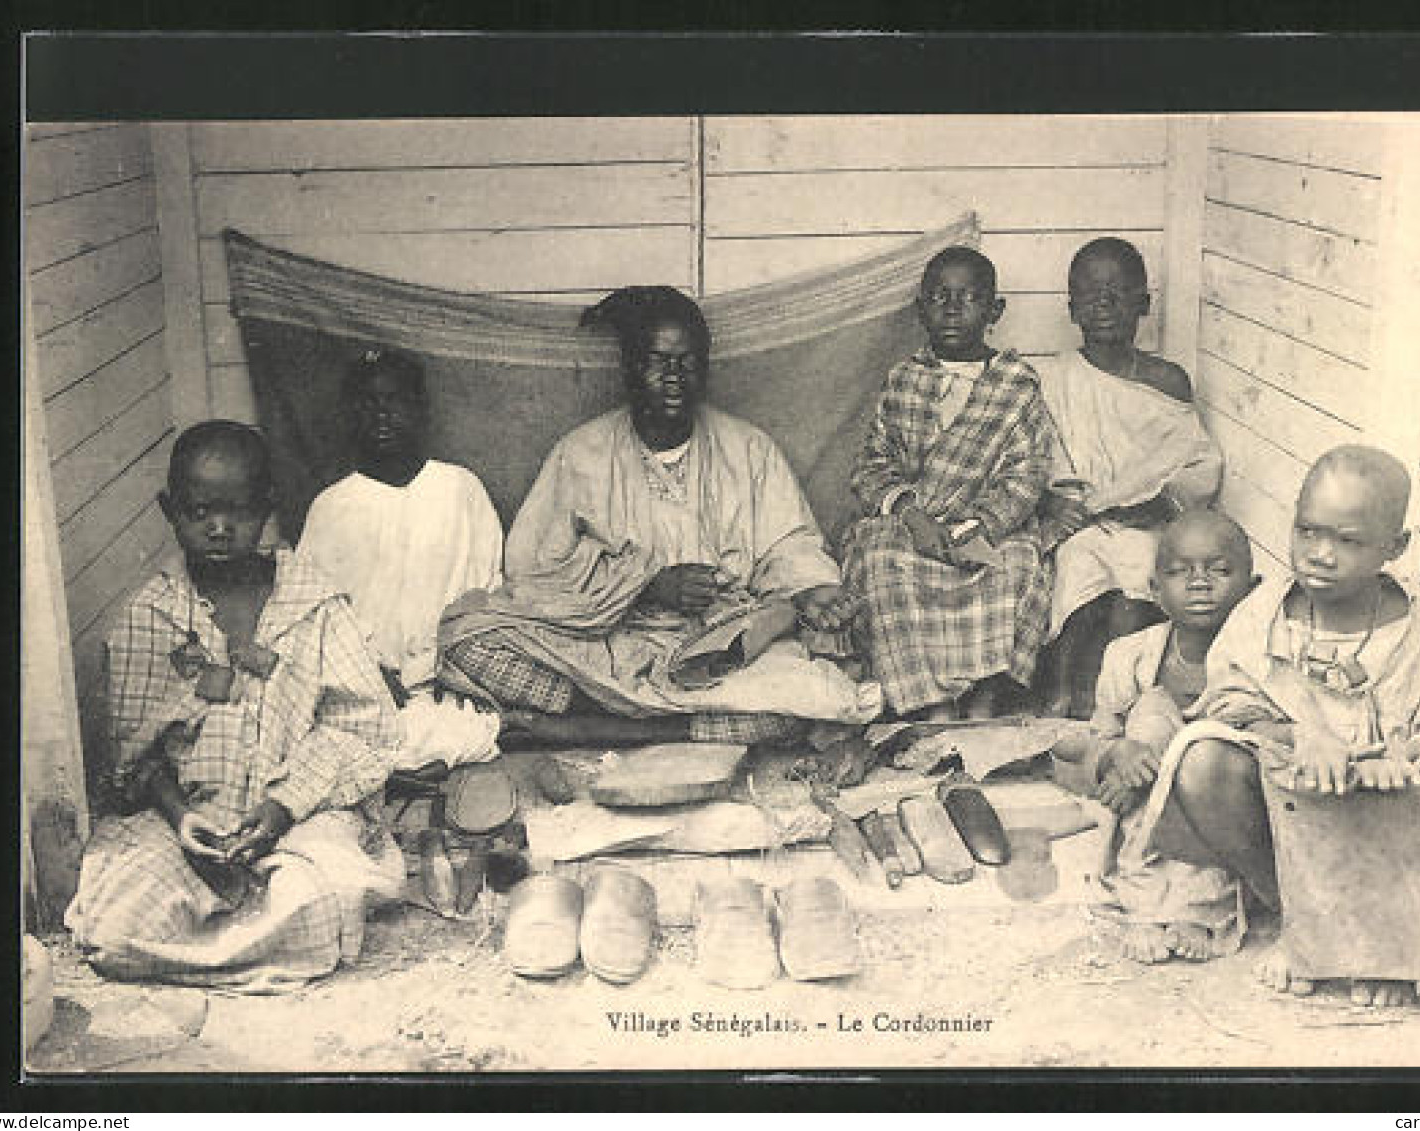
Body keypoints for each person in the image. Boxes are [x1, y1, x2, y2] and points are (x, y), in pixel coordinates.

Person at [1140, 446, 1420, 1007]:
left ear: (1396, 548)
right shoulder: (1263, 612)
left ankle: (1394, 947)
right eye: (1308, 531)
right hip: (1296, 807)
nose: (1320, 555)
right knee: (1200, 754)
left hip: (1396, 812)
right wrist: (1304, 736)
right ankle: (1310, 924)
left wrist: (1398, 755)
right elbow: (1228, 701)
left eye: (1348, 541)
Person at [438, 286, 870, 746]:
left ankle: (605, 728)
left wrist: (810, 591)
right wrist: (644, 585)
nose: (673, 377)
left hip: (718, 645)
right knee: (469, 639)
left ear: (704, 369)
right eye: (656, 362)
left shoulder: (748, 449)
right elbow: (532, 572)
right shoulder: (581, 453)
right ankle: (654, 722)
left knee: (804, 702)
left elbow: (787, 544)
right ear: (629, 370)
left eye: (687, 362)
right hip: (607, 642)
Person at [64, 422, 404, 990]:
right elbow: (136, 759)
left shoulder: (311, 603)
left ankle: (213, 945)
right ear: (169, 510)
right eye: (199, 513)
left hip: (300, 814)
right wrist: (182, 818)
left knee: (323, 896)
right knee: (111, 926)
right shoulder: (151, 617)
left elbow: (361, 728)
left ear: (268, 507)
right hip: (188, 821)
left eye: (240, 512)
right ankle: (252, 945)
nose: (220, 528)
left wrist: (283, 806)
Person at [842, 246, 1056, 721]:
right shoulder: (902, 380)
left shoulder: (1016, 383)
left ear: (994, 311)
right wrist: (913, 517)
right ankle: (930, 705)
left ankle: (985, 697)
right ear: (921, 309)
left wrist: (977, 527)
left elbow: (1028, 473)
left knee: (1022, 563)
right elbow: (871, 465)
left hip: (984, 530)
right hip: (912, 526)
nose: (954, 309)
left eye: (970, 298)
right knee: (879, 562)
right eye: (940, 297)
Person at [1052, 509, 1256, 963]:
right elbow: (1089, 741)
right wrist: (1116, 756)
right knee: (1147, 716)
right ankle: (1145, 903)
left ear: (1252, 588)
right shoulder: (1130, 656)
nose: (1199, 583)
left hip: (1220, 807)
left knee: (1197, 745)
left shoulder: (1257, 662)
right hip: (1144, 811)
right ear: (1153, 590)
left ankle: (1200, 910)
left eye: (1220, 571)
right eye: (1179, 572)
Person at [1033, 237, 1223, 718]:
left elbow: (1199, 462)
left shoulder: (1166, 380)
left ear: (1144, 304)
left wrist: (1163, 502)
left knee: (1139, 572)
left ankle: (1117, 700)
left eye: (1119, 292)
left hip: (1145, 520)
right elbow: (1032, 458)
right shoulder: (1051, 378)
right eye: (1092, 292)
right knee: (1078, 568)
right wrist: (1053, 501)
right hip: (1079, 521)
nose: (1105, 304)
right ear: (1072, 307)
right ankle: (1063, 696)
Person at [297, 348, 504, 771]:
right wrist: (367, 675)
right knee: (353, 740)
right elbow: (315, 616)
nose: (382, 414)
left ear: (420, 409)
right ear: (350, 415)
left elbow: (489, 590)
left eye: (396, 400)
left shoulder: (459, 488)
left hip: (455, 679)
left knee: (470, 731)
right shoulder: (332, 507)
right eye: (368, 403)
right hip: (371, 689)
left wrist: (455, 667)